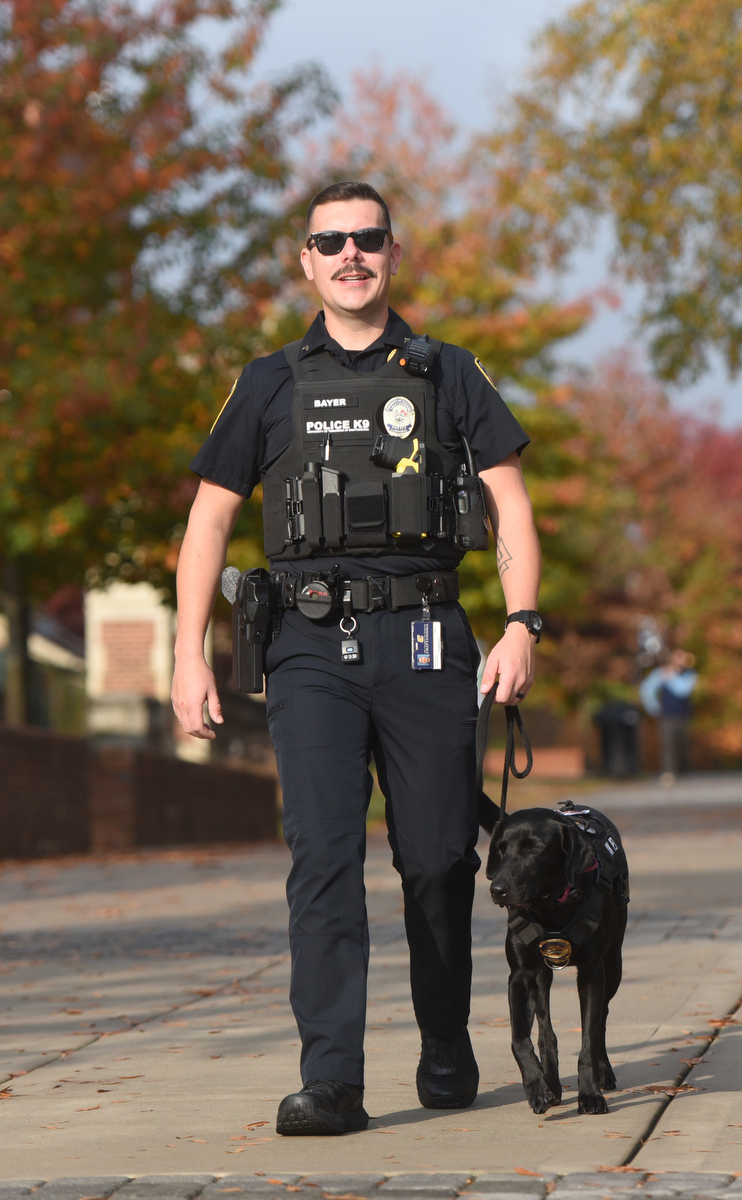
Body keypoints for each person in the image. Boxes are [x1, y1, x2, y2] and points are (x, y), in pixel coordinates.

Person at [169, 182, 545, 1136]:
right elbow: (208, 522)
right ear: (306, 260)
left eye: (367, 239)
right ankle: (331, 1079)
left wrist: (521, 624)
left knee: (436, 860)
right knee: (324, 858)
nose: (350, 255)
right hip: (307, 650)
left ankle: (446, 1041)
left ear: (391, 251)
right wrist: (188, 654)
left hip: (426, 642)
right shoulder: (266, 382)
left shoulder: (450, 373)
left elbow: (511, 504)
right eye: (330, 241)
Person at [639, 648, 697, 784]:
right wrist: (653, 708)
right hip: (667, 715)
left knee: (682, 743)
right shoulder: (660, 673)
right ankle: (668, 772)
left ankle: (683, 771)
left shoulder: (689, 674)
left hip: (683, 715)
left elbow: (683, 691)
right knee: (668, 744)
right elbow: (646, 689)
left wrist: (671, 677)